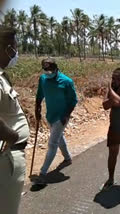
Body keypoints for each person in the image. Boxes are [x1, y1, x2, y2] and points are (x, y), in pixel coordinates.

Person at [0, 26, 30, 214]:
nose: (16, 52)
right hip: (7, 159)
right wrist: (11, 136)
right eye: (14, 47)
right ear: (6, 49)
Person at [35, 58, 77, 184]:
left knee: (52, 143)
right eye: (45, 70)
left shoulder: (66, 81)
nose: (48, 72)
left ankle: (43, 173)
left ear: (56, 68)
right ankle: (68, 158)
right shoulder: (43, 79)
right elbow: (39, 96)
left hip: (61, 117)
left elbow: (73, 100)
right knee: (59, 137)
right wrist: (37, 110)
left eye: (50, 70)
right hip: (50, 116)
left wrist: (66, 115)